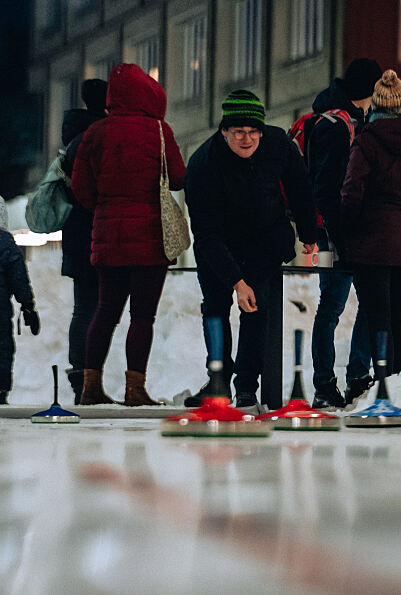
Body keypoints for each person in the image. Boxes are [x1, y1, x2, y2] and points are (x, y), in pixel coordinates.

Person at [184, 90, 317, 410]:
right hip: (218, 244)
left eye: (253, 131)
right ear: (223, 131)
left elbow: (300, 188)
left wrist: (308, 232)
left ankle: (246, 386)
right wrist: (236, 281)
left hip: (264, 240)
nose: (247, 139)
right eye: (238, 132)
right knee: (215, 308)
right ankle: (218, 381)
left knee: (255, 311)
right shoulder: (203, 164)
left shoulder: (278, 145)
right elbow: (206, 233)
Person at [71, 63, 186, 406]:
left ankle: (90, 387)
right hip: (150, 237)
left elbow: (80, 186)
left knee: (105, 310)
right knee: (142, 316)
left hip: (108, 235)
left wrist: (105, 208)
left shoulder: (96, 133)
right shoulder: (159, 130)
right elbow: (178, 178)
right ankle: (135, 389)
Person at [341, 69, 401, 380]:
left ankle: (382, 387)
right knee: (398, 318)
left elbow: (352, 192)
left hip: (370, 244)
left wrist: (348, 231)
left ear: (373, 107)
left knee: (378, 318)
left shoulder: (366, 141)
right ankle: (397, 382)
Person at [308, 58, 382, 408]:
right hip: (336, 233)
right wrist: (338, 233)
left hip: (340, 231)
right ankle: (329, 383)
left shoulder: (350, 119)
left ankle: (351, 379)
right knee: (332, 305)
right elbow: (325, 186)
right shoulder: (335, 125)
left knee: (346, 304)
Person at [61, 79, 107, 404]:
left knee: (83, 310)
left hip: (76, 234)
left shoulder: (73, 137)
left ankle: (82, 380)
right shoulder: (97, 138)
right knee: (100, 309)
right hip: (98, 232)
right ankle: (89, 383)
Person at [0, 197, 40, 404]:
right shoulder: (6, 243)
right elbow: (19, 280)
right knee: (2, 348)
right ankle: (0, 390)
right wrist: (28, 307)